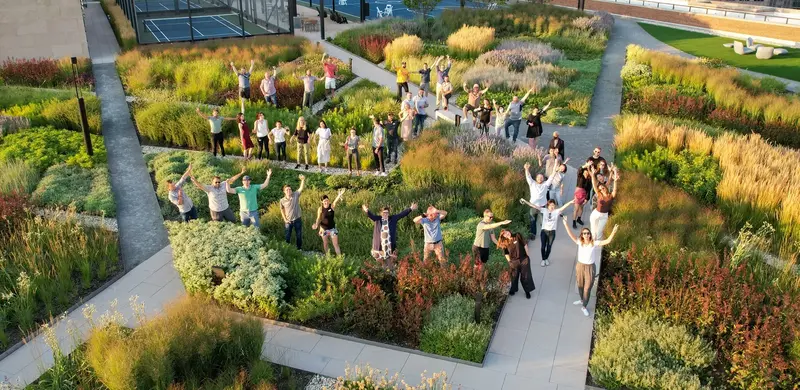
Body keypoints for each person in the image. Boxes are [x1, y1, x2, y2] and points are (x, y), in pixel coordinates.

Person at [562, 219, 619, 316]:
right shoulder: (580, 242)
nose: (586, 235)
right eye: (584, 233)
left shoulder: (594, 243)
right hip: (580, 266)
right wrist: (566, 224)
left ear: (590, 235)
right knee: (580, 285)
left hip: (590, 267)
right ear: (582, 235)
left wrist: (613, 232)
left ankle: (584, 306)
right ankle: (581, 300)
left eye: (588, 233)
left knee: (587, 287)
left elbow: (607, 241)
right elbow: (570, 234)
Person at [520, 198, 574, 266]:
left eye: (553, 205)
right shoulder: (544, 210)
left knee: (549, 247)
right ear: (548, 206)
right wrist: (525, 201)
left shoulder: (556, 211)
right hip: (544, 232)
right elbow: (534, 206)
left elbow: (564, 207)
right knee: (543, 246)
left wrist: (570, 202)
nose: (552, 207)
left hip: (552, 232)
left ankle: (546, 258)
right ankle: (543, 259)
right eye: (551, 205)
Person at [363, 202, 418, 269]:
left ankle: (391, 273)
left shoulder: (393, 219)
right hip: (379, 247)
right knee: (380, 266)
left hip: (389, 247)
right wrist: (366, 210)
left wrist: (411, 208)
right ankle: (381, 273)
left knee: (390, 265)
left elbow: (401, 214)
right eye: (384, 212)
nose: (385, 214)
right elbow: (371, 216)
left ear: (389, 213)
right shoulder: (377, 219)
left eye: (387, 213)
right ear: (381, 213)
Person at [497, 229, 535, 299]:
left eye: (507, 232)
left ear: (509, 231)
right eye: (504, 234)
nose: (507, 234)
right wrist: (509, 262)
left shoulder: (517, 235)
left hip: (523, 259)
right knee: (514, 276)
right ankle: (513, 289)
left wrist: (527, 257)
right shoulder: (505, 243)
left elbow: (525, 245)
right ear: (503, 236)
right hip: (514, 262)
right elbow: (506, 253)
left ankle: (527, 291)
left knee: (525, 276)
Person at [524, 159, 555, 240]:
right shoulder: (532, 183)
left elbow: (551, 177)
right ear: (536, 178)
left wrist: (555, 169)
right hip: (533, 206)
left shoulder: (545, 185)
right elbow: (528, 176)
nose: (540, 178)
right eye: (539, 177)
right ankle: (533, 234)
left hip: (542, 207)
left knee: (543, 221)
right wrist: (526, 169)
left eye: (541, 177)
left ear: (543, 179)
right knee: (532, 221)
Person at [312, 189, 346, 256]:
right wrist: (316, 224)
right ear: (322, 202)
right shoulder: (320, 209)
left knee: (336, 244)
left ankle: (340, 258)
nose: (326, 202)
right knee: (325, 243)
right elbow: (318, 218)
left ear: (329, 200)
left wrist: (339, 195)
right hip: (324, 229)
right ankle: (328, 257)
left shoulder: (332, 206)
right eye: (324, 201)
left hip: (332, 228)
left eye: (327, 200)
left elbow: (335, 201)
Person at [589, 165, 618, 242]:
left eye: (603, 188)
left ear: (605, 187)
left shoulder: (611, 195)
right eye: (601, 189)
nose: (602, 189)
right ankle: (590, 244)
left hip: (604, 215)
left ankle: (596, 245)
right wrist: (592, 175)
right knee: (593, 232)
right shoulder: (599, 195)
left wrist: (615, 180)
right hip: (596, 214)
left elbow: (614, 189)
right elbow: (594, 185)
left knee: (599, 233)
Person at [279, 175, 306, 250]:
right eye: (287, 190)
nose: (288, 191)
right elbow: (282, 210)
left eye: (290, 189)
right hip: (288, 221)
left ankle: (299, 248)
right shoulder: (282, 200)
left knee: (299, 235)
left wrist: (303, 180)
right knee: (287, 236)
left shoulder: (295, 195)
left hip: (297, 219)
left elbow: (301, 188)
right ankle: (287, 249)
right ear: (284, 191)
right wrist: (285, 219)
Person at [572, 161, 593, 229]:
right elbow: (579, 169)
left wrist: (587, 198)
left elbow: (589, 190)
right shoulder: (580, 176)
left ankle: (579, 219)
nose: (586, 173)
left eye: (587, 172)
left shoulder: (589, 180)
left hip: (584, 194)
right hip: (578, 193)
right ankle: (574, 221)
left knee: (581, 208)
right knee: (576, 208)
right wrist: (586, 165)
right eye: (585, 172)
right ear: (583, 172)